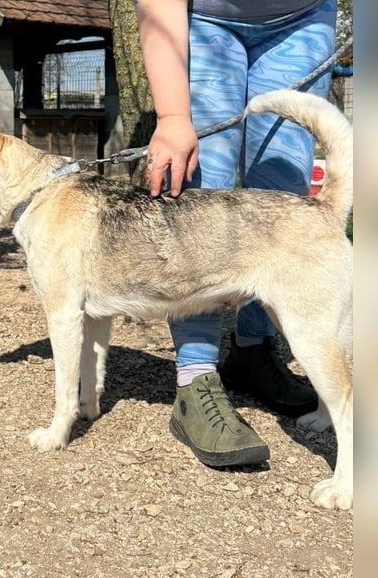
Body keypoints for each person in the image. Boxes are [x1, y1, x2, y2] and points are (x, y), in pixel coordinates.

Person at [136, 0, 337, 467]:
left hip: (302, 19)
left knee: (284, 197)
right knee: (202, 195)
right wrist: (171, 118)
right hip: (203, 21)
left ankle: (252, 350)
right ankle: (196, 376)